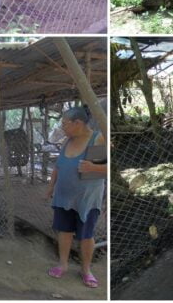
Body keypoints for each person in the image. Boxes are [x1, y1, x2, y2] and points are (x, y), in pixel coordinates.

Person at [46, 106, 106, 288]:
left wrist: (94, 168)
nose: (62, 127)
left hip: (86, 199)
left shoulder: (97, 139)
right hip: (64, 197)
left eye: (65, 124)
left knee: (86, 236)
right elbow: (57, 167)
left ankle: (86, 270)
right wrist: (50, 188)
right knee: (64, 231)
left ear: (77, 123)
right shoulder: (68, 140)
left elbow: (106, 170)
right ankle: (63, 264)